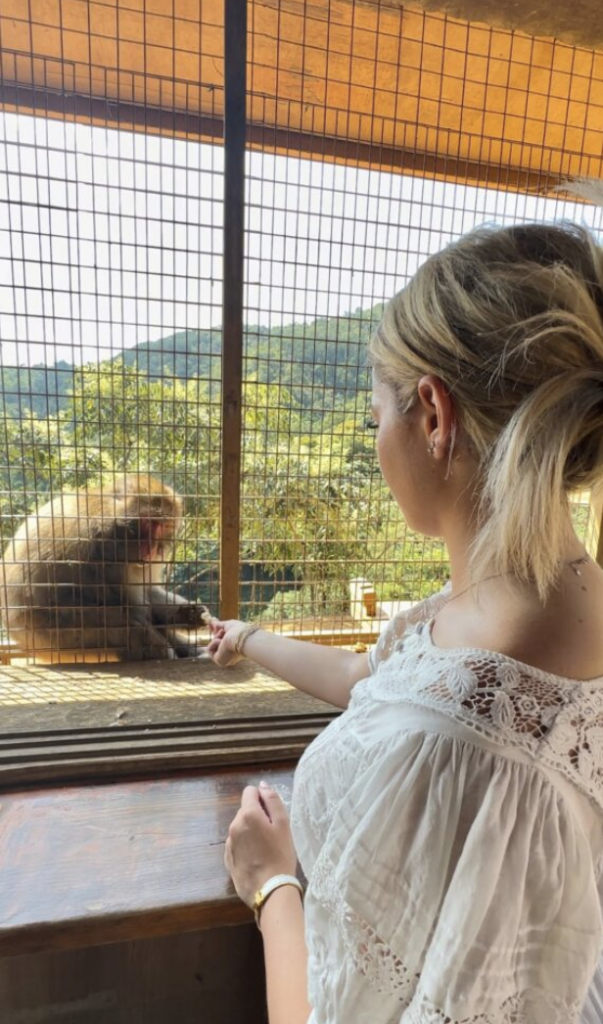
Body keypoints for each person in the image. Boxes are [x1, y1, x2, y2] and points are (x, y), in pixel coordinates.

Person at [207, 220, 603, 1024]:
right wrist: (248, 639)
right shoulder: (526, 606)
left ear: (431, 414)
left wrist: (271, 883)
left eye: (372, 414)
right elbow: (373, 679)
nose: (375, 437)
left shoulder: (462, 742)